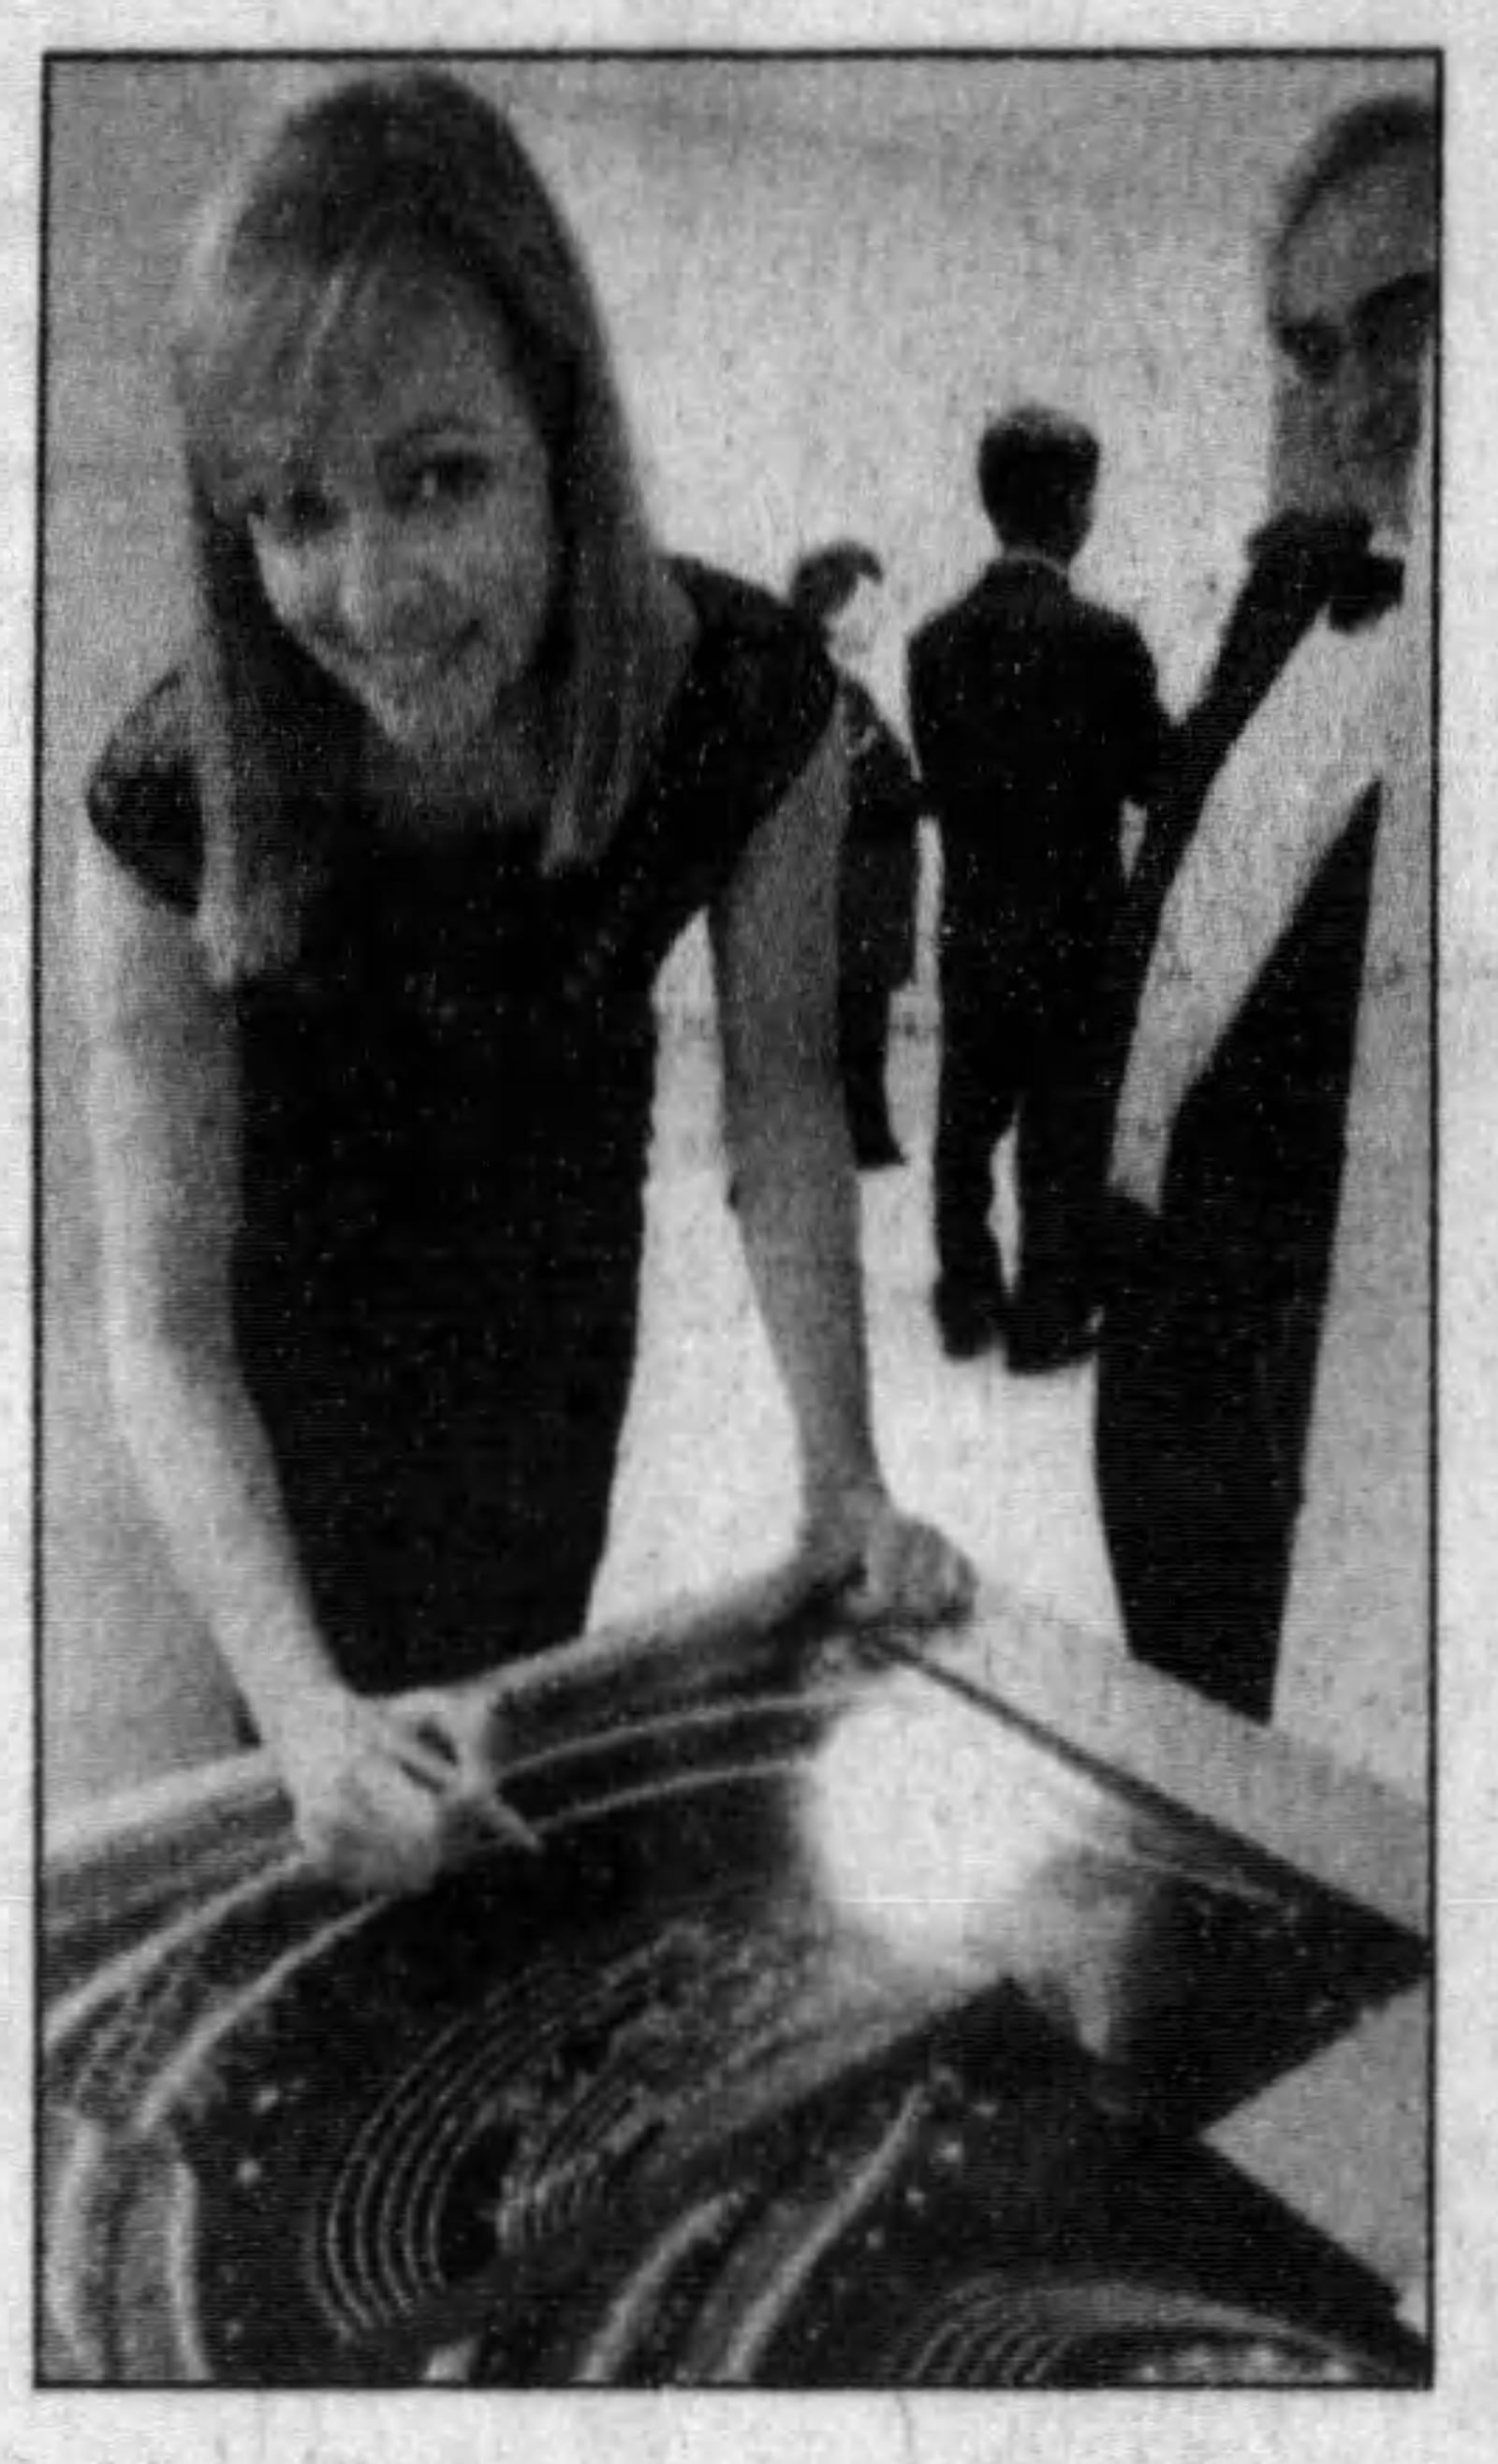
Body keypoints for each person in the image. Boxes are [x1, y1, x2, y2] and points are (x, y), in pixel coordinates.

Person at [74, 69, 975, 1899]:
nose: (372, 591)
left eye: (438, 477)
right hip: (289, 1332)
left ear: (564, 436)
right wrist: (304, 1705)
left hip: (553, 1283)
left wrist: (842, 1484)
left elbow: (786, 1113)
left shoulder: (737, 696)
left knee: (508, 1720)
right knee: (319, 1806)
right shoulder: (169, 790)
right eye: (292, 506)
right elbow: (163, 1323)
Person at [1095, 94, 1436, 1724]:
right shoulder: (1297, 579)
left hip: (1346, 1403)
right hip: (1165, 1319)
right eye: (1316, 351)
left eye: (1415, 318)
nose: (1365, 396)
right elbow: (1187, 919)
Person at [907, 407, 1168, 1369]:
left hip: (974, 923)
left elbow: (940, 782)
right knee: (1061, 1129)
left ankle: (964, 1301)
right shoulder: (1107, 641)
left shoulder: (933, 644)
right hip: (1076, 931)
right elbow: (1157, 776)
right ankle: (1046, 1318)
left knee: (965, 1121)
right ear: (1073, 506)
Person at [787, 543, 925, 1169]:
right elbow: (862, 794)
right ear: (835, 610)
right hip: (841, 910)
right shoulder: (824, 695)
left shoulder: (840, 693)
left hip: (850, 909)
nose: (880, 614)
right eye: (870, 601)